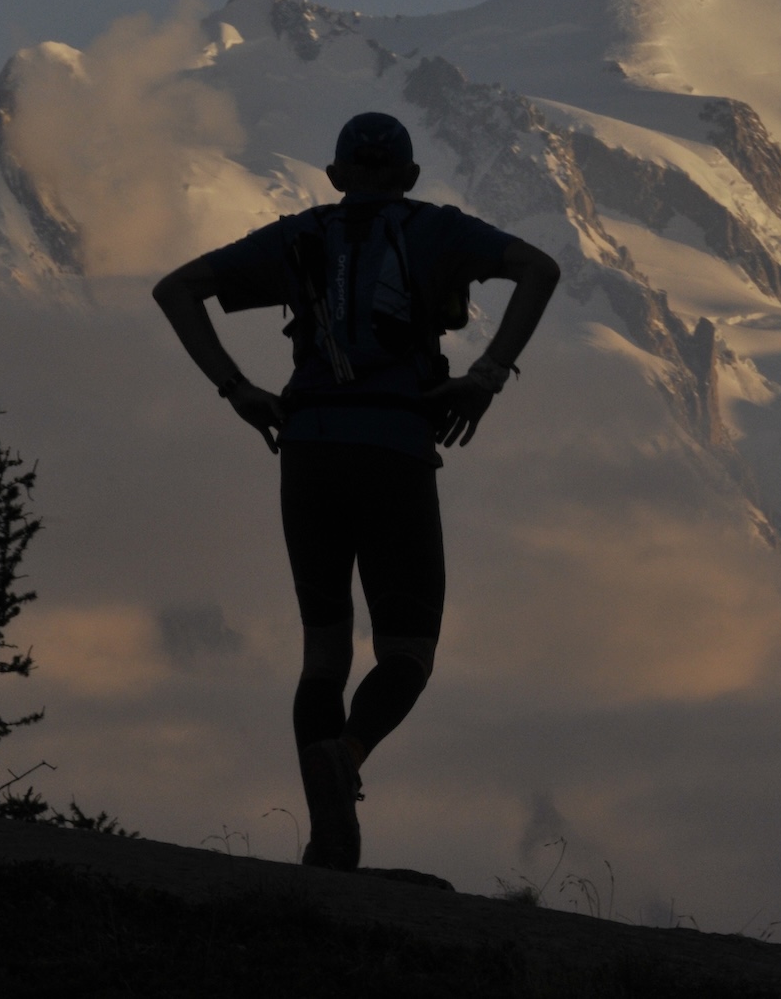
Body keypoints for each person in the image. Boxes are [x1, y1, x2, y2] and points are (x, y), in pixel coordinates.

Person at [152, 111, 560, 870]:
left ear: (336, 177)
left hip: (305, 450)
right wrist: (487, 376)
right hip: (396, 449)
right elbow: (541, 269)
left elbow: (177, 289)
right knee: (407, 650)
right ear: (407, 178)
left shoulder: (295, 236)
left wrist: (236, 388)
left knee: (323, 653)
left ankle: (331, 838)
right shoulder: (437, 228)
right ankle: (348, 752)